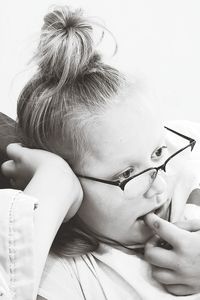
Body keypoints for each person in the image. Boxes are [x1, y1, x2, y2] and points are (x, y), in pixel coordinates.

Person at [1, 5, 200, 300]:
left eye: (157, 152)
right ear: (72, 188)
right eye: (127, 174)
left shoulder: (185, 170)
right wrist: (53, 184)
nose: (159, 186)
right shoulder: (60, 276)